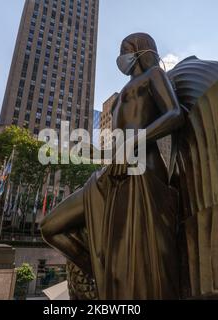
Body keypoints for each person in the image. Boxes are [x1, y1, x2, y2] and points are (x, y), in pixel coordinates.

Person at [41, 33, 185, 300]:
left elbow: (175, 115)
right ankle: (104, 272)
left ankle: (122, 286)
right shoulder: (119, 98)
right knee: (50, 226)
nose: (121, 58)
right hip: (112, 172)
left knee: (139, 253)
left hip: (143, 170)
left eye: (125, 50)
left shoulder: (154, 76)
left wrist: (132, 143)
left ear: (140, 51)